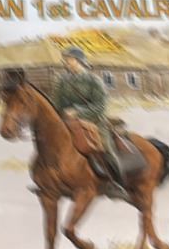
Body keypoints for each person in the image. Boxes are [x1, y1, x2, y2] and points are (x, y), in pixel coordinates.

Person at [52, 47, 125, 185]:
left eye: (69, 59)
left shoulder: (94, 80)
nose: (66, 62)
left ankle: (118, 183)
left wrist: (77, 111)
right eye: (65, 59)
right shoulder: (62, 80)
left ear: (78, 61)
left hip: (94, 121)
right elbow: (57, 104)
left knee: (107, 149)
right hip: (67, 122)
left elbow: (101, 107)